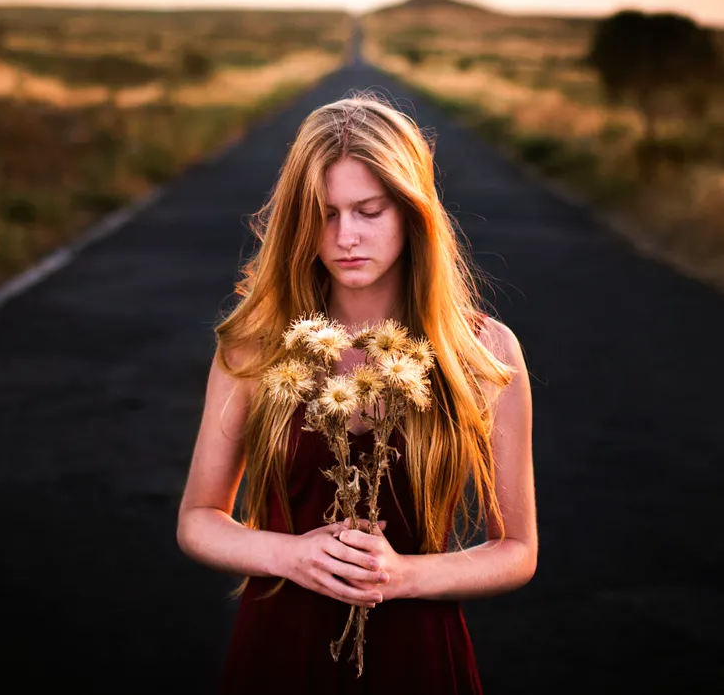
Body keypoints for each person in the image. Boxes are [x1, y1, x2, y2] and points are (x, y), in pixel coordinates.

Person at [177, 92, 537, 694]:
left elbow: (518, 550)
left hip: (420, 659)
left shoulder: (482, 352)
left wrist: (400, 577)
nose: (346, 236)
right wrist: (287, 556)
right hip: (278, 653)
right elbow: (196, 519)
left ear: (411, 213)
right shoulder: (256, 344)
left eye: (369, 211)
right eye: (324, 213)